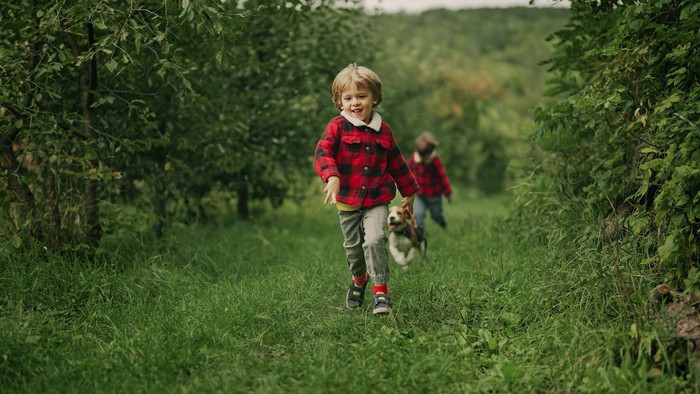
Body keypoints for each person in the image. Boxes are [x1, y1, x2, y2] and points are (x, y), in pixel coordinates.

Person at [314, 64, 419, 315]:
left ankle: (380, 292)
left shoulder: (384, 131)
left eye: (362, 96)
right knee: (354, 249)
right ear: (339, 102)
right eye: (348, 98)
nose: (355, 103)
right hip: (348, 200)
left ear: (375, 98)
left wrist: (409, 192)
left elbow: (397, 162)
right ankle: (359, 279)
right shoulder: (337, 126)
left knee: (374, 240)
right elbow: (323, 152)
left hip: (376, 198)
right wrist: (332, 177)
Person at [407, 132, 452, 231]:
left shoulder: (435, 161)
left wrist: (448, 194)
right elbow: (407, 171)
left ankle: (442, 222)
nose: (423, 158)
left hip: (434, 195)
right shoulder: (414, 159)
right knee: (418, 214)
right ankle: (422, 234)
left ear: (430, 153)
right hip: (419, 195)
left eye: (426, 156)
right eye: (422, 155)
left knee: (436, 215)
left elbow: (442, 177)